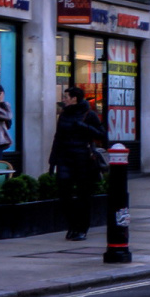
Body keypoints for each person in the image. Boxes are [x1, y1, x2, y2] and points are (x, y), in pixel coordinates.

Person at [48, 86, 105, 240]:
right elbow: (57, 137)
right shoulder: (64, 115)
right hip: (65, 158)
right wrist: (52, 160)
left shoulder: (89, 114)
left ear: (74, 98)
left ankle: (82, 228)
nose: (64, 100)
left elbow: (102, 134)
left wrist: (84, 127)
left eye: (66, 97)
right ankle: (72, 225)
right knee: (64, 195)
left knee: (83, 196)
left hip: (83, 159)